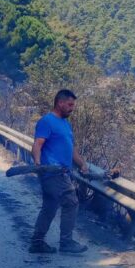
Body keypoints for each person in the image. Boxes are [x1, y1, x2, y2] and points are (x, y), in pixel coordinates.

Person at [29, 89, 89, 255]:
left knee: (50, 207)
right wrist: (38, 163)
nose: (72, 108)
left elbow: (71, 148)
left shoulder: (65, 124)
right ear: (60, 103)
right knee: (71, 203)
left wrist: (82, 164)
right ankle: (66, 242)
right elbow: (38, 144)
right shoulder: (47, 121)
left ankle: (37, 242)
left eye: (73, 105)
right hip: (53, 172)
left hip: (62, 173)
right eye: (69, 105)